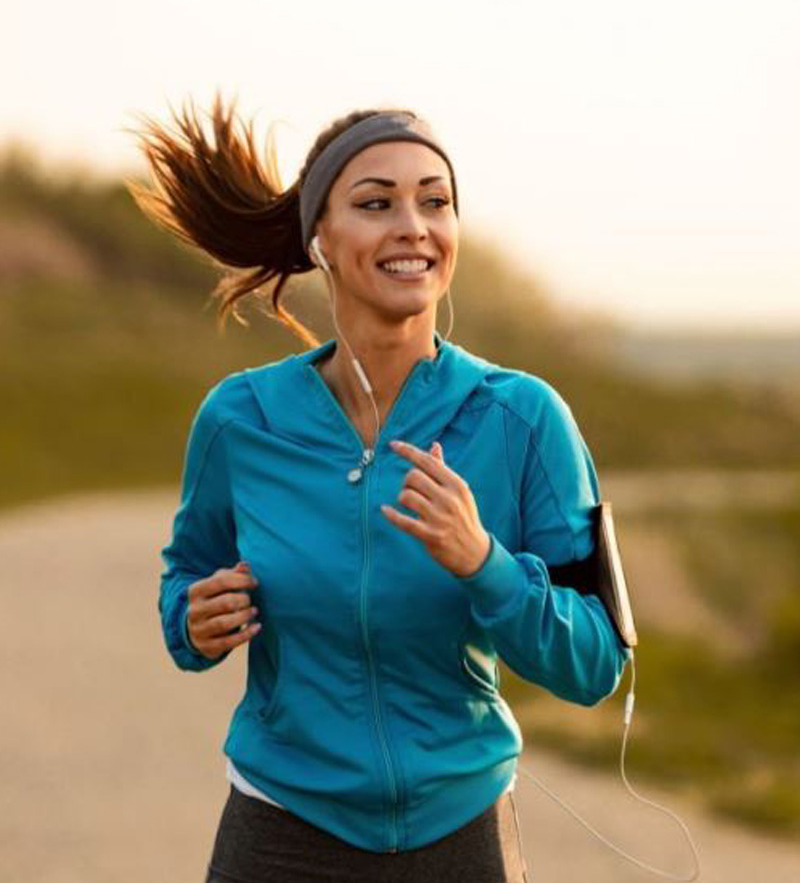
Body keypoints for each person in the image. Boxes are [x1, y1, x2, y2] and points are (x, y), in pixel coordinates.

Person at [127, 94, 630, 883]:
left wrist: (484, 562)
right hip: (280, 828)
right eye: (375, 203)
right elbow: (181, 590)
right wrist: (194, 620)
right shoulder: (241, 419)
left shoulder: (523, 418)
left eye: (436, 201)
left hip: (458, 834)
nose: (413, 226)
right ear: (318, 239)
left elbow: (596, 662)